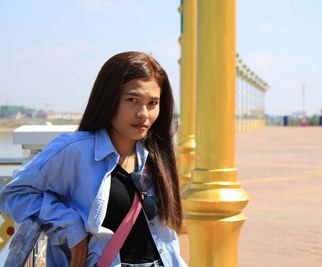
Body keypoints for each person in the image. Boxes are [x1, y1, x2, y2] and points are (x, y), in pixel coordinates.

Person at [0, 51, 187, 267]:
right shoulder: (75, 152)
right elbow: (13, 194)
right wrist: (71, 227)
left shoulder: (155, 155)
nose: (144, 113)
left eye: (153, 103)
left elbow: (165, 237)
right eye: (132, 100)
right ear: (108, 98)